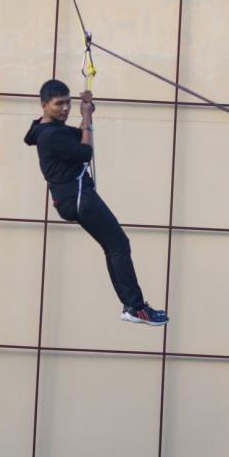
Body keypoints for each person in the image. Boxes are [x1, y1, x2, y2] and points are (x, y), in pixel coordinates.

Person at [24, 80, 169, 326]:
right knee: (119, 244)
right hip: (79, 197)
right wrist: (87, 119)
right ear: (44, 105)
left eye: (68, 103)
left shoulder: (51, 130)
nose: (65, 108)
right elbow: (85, 153)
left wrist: (86, 114)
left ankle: (133, 306)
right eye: (59, 104)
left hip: (74, 198)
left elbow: (80, 136)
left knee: (114, 246)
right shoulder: (50, 135)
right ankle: (135, 307)